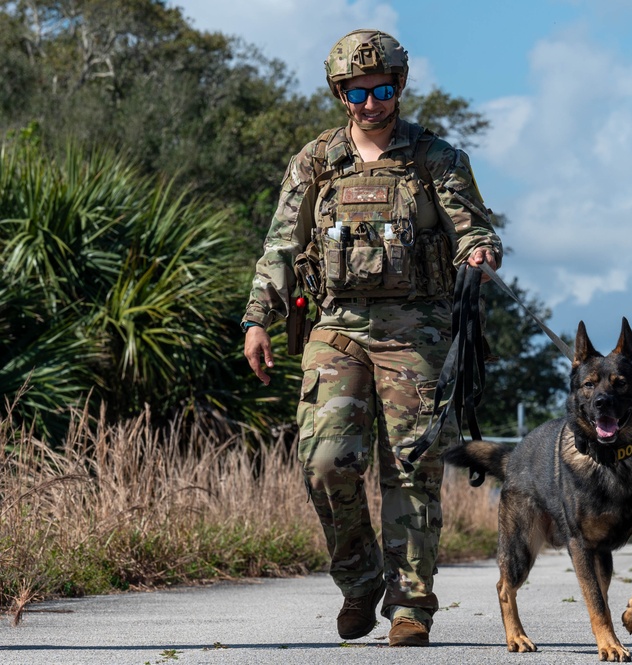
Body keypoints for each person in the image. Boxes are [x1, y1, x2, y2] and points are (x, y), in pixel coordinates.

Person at [241, 29, 501, 647]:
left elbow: (471, 228)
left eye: (382, 89)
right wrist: (257, 317)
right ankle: (358, 583)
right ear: (339, 93)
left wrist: (479, 250)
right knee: (326, 462)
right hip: (336, 328)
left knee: (411, 465)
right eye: (357, 92)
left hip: (417, 330)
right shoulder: (315, 162)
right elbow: (280, 245)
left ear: (400, 87)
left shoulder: (436, 158)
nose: (370, 103)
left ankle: (412, 604)